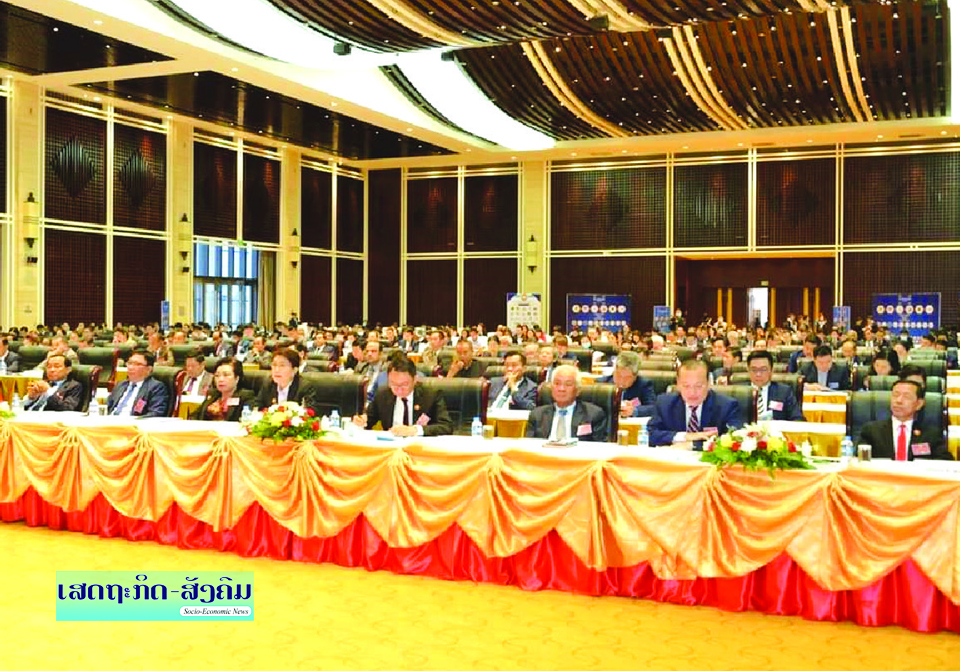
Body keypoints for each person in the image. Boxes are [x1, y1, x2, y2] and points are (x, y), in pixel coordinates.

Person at [647, 359, 742, 448]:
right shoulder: (664, 403)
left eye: (699, 386)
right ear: (678, 384)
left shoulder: (727, 406)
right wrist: (685, 436)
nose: (692, 393)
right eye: (686, 386)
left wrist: (692, 445)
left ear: (709, 383)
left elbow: (735, 440)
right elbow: (651, 435)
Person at [352, 354, 452, 436]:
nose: (399, 389)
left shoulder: (431, 396)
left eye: (404, 384)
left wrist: (414, 430)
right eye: (393, 384)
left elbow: (446, 427)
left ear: (415, 380)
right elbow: (369, 419)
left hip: (420, 448)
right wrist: (361, 421)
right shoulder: (383, 394)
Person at [857, 380, 951, 461]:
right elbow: (859, 462)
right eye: (895, 395)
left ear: (919, 404)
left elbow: (945, 463)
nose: (899, 400)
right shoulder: (871, 431)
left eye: (906, 396)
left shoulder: (931, 435)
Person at [525, 364, 606, 442]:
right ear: (551, 388)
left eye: (568, 384)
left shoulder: (593, 415)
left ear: (578, 390)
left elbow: (599, 447)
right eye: (557, 383)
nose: (561, 389)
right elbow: (528, 446)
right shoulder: (537, 415)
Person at [255, 348, 320, 414]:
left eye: (282, 366)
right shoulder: (268, 384)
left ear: (294, 370)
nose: (276, 370)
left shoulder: (304, 387)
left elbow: (310, 412)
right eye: (274, 365)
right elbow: (257, 407)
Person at [106, 351, 170, 417]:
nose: (131, 367)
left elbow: (156, 413)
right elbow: (108, 407)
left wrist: (136, 420)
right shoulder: (120, 385)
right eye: (129, 363)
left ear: (149, 369)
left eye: (137, 364)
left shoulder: (156, 388)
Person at [746, 351, 804, 421]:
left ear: (772, 370)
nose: (758, 374)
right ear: (748, 370)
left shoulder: (784, 392)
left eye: (763, 369)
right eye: (754, 370)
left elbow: (797, 419)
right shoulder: (739, 393)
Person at [598, 351, 655, 418]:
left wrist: (634, 411)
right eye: (618, 375)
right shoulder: (601, 384)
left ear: (635, 377)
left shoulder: (644, 385)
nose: (621, 381)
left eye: (627, 378)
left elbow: (653, 407)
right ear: (614, 371)